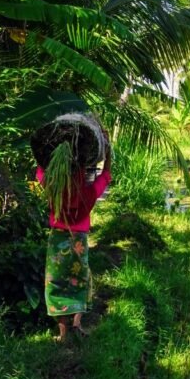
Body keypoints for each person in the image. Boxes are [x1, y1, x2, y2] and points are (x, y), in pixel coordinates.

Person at [36, 135, 111, 342]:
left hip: (57, 240)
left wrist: (45, 151)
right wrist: (108, 153)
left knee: (56, 282)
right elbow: (106, 175)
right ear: (81, 173)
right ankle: (77, 323)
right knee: (80, 280)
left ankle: (63, 333)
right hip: (79, 241)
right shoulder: (89, 193)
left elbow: (40, 171)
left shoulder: (54, 188)